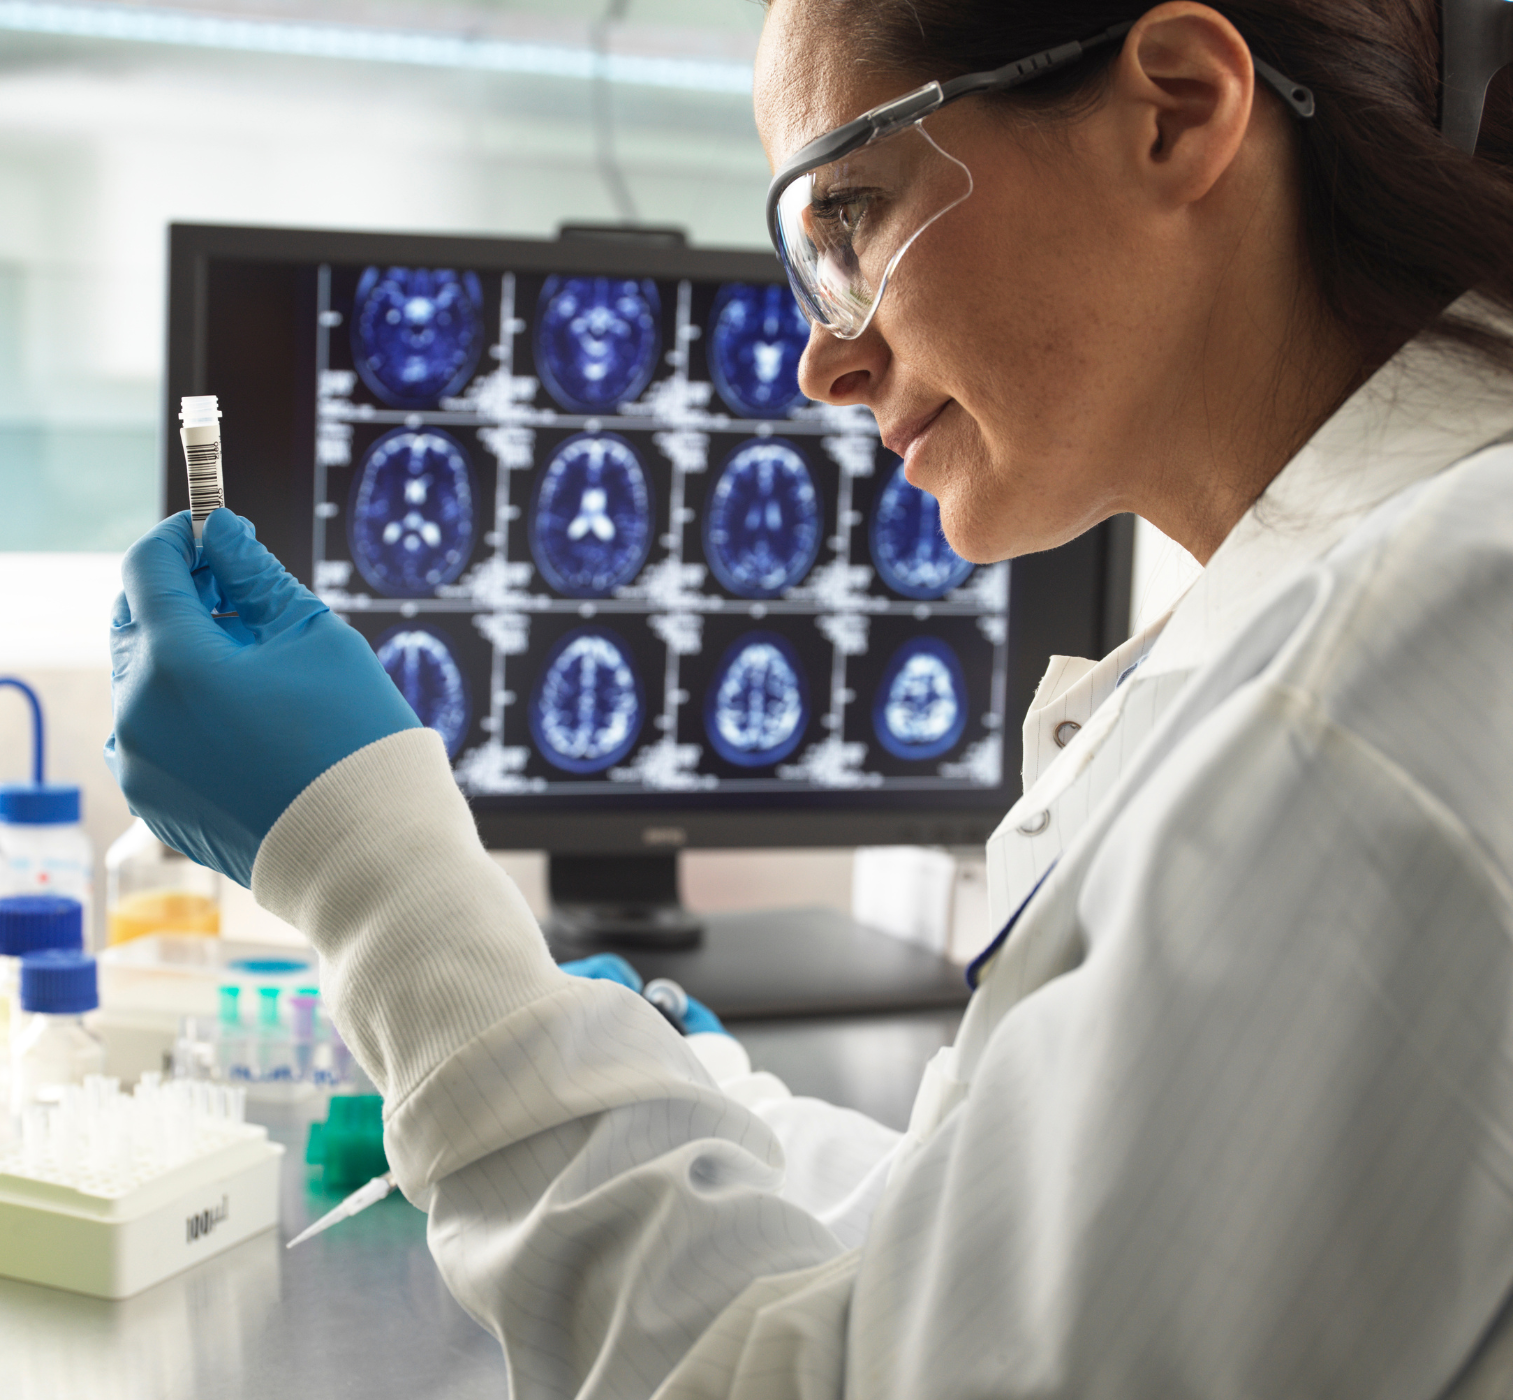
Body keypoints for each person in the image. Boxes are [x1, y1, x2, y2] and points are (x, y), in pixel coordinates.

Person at [106, 1, 1513, 1393]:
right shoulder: (1355, 623)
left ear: (1177, 111)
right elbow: (1004, 1284)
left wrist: (365, 867)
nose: (823, 361)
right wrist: (717, 1107)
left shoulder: (1381, 689)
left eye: (852, 218)